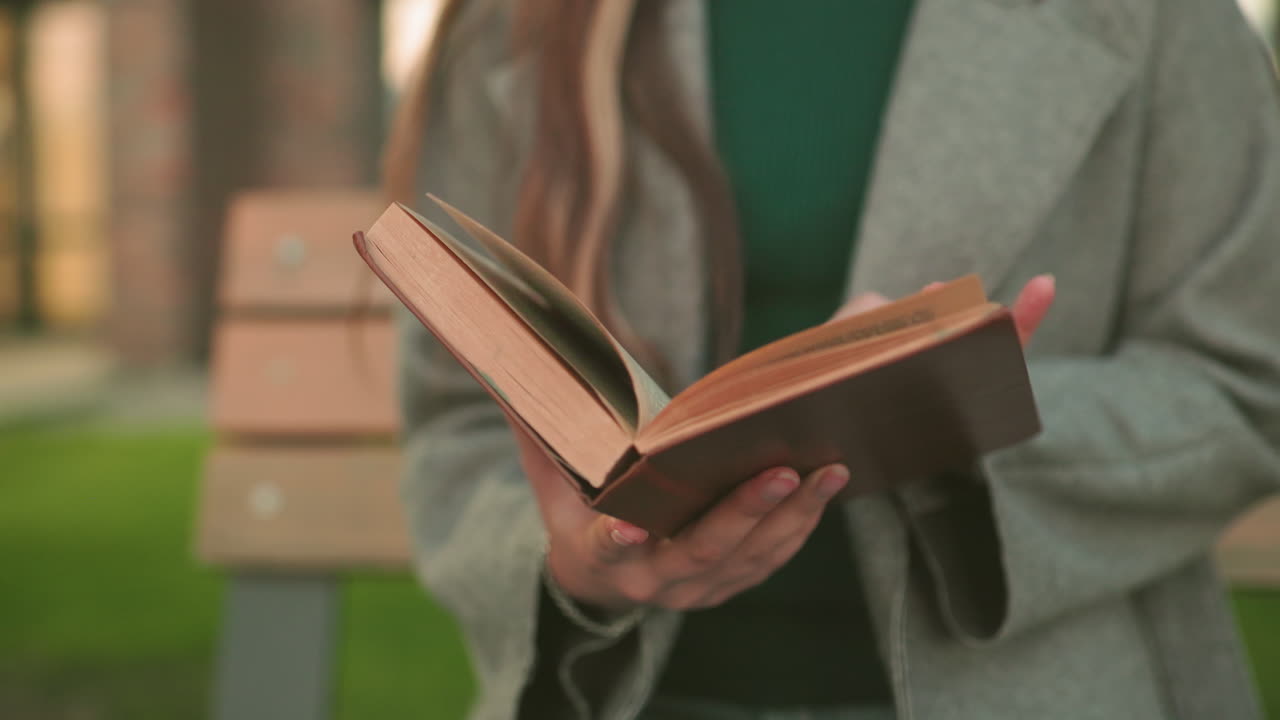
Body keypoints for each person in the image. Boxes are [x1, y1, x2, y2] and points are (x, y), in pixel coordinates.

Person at [382, 0, 1280, 718]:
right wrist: (572, 565)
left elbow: (1246, 377)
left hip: (1046, 690)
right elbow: (458, 423)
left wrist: (968, 421)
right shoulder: (520, 20)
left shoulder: (1164, 17)